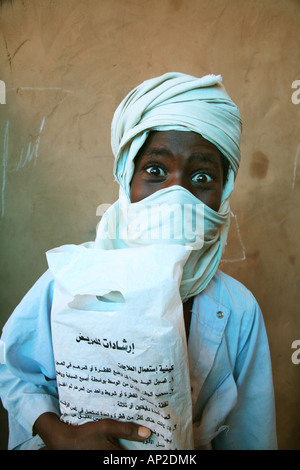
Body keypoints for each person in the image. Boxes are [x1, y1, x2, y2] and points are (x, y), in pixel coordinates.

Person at [0, 72, 277, 450]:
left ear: (223, 194)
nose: (175, 195)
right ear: (126, 179)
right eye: (156, 171)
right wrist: (56, 432)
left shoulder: (238, 311)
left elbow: (251, 434)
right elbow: (15, 370)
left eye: (201, 176)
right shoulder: (69, 279)